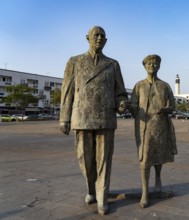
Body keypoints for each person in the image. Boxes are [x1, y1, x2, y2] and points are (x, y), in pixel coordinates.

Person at [59, 26, 128, 215]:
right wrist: (64, 118)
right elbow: (67, 92)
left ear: (106, 40)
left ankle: (102, 197)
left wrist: (121, 103)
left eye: (103, 36)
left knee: (104, 159)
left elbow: (121, 92)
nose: (99, 38)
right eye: (96, 35)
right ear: (87, 37)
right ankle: (91, 189)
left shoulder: (112, 64)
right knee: (84, 159)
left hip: (105, 117)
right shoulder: (75, 62)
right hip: (81, 117)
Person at [129, 54, 177, 208]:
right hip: (143, 126)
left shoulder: (165, 86)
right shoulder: (139, 86)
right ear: (144, 66)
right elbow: (133, 106)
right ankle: (145, 192)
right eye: (149, 63)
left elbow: (173, 105)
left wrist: (166, 109)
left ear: (159, 66)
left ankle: (158, 180)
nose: (152, 66)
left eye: (155, 63)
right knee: (145, 157)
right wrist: (127, 106)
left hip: (160, 125)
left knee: (158, 154)